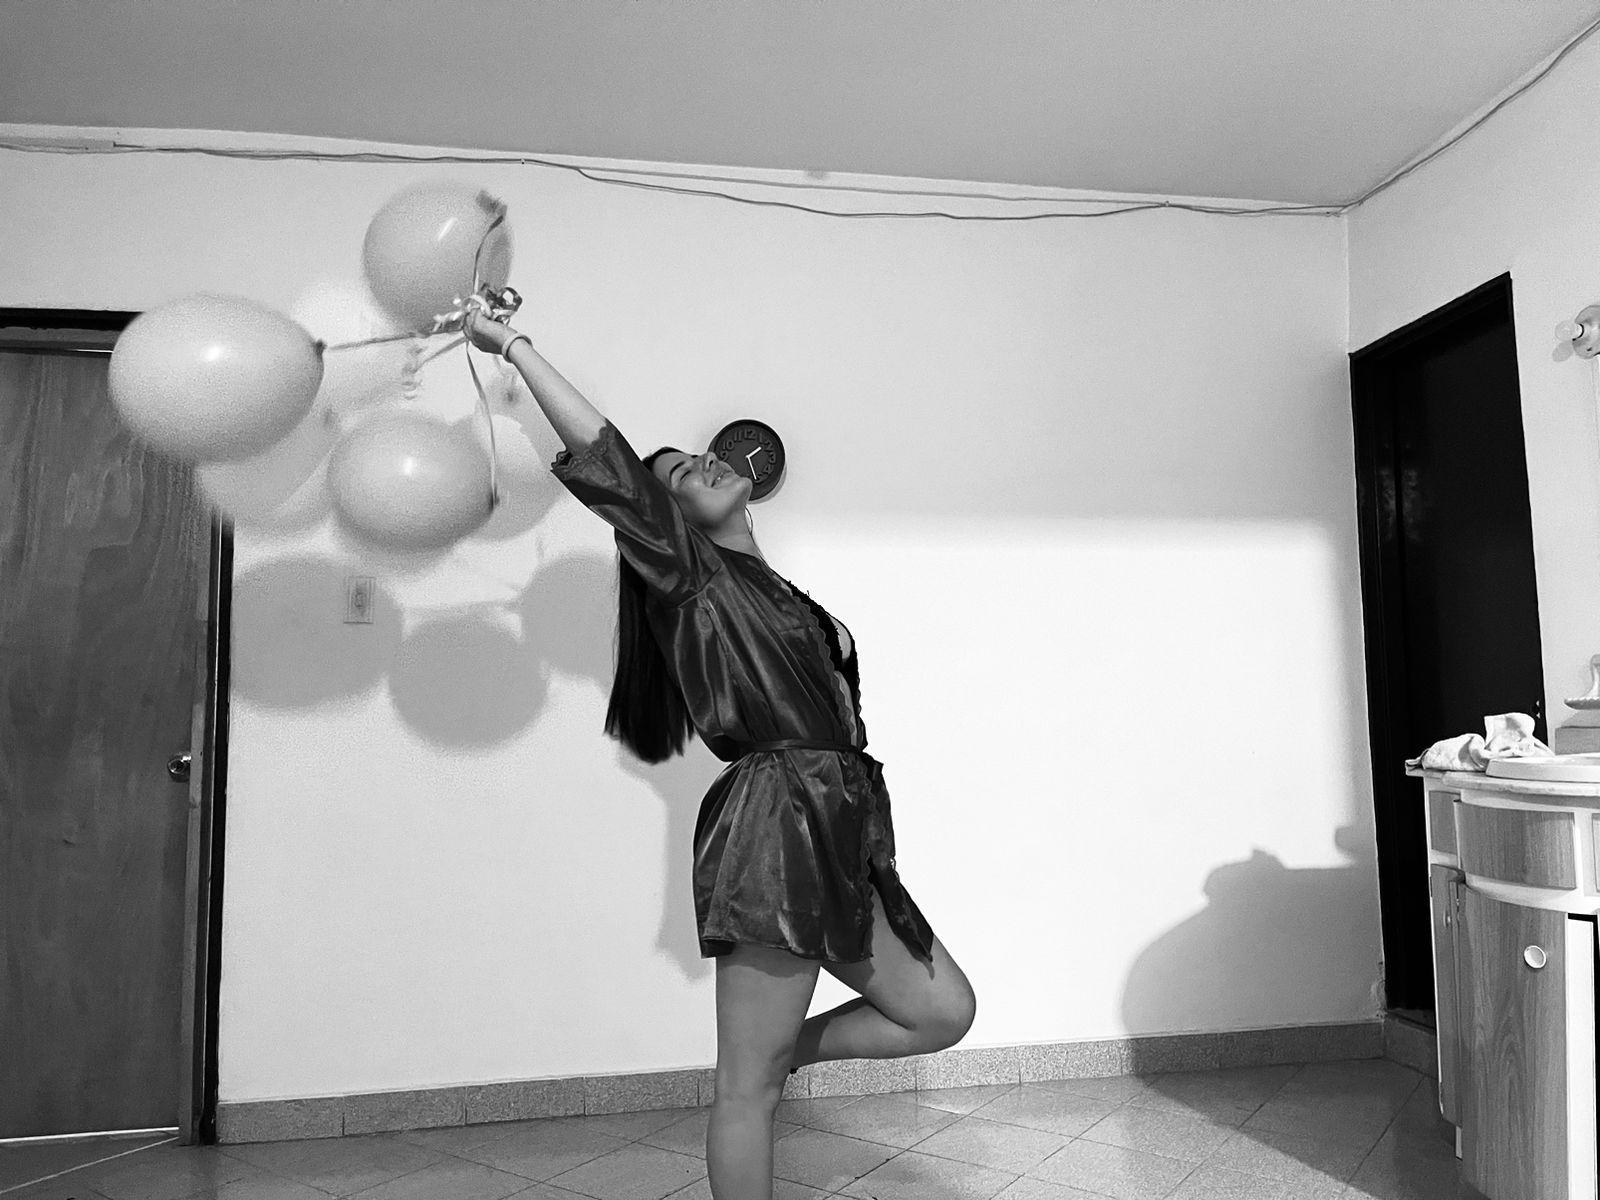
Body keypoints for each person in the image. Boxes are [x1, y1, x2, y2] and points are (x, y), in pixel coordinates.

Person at [464, 311, 977, 1200]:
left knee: (942, 1010)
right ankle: (757, 1072)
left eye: (694, 456)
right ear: (661, 520)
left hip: (838, 824)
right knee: (746, 1091)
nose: (697, 462)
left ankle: (773, 1059)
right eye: (671, 476)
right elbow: (607, 461)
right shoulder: (687, 574)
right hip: (776, 825)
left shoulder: (769, 586)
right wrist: (512, 346)